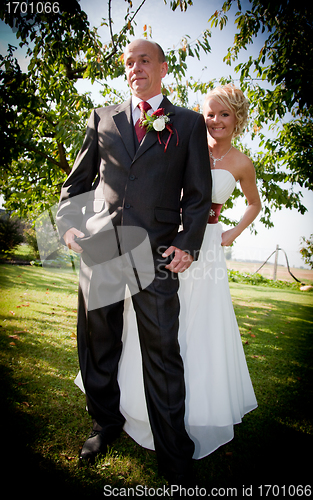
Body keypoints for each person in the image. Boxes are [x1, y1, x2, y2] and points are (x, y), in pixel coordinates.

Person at [56, 39, 212, 484]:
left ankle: (173, 449)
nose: (135, 68)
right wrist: (69, 226)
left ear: (163, 67)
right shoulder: (102, 117)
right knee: (98, 341)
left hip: (156, 251)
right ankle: (105, 424)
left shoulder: (187, 123)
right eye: (128, 62)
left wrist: (187, 242)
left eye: (144, 60)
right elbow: (76, 184)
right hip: (101, 247)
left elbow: (198, 197)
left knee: (162, 350)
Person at [117, 83, 261, 459]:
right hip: (170, 237)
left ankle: (197, 409)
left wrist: (231, 231)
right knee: (158, 318)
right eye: (210, 113)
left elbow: (253, 204)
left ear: (237, 118)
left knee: (201, 320)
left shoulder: (242, 163)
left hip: (207, 243)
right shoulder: (181, 140)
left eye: (224, 114)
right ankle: (138, 398)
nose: (215, 121)